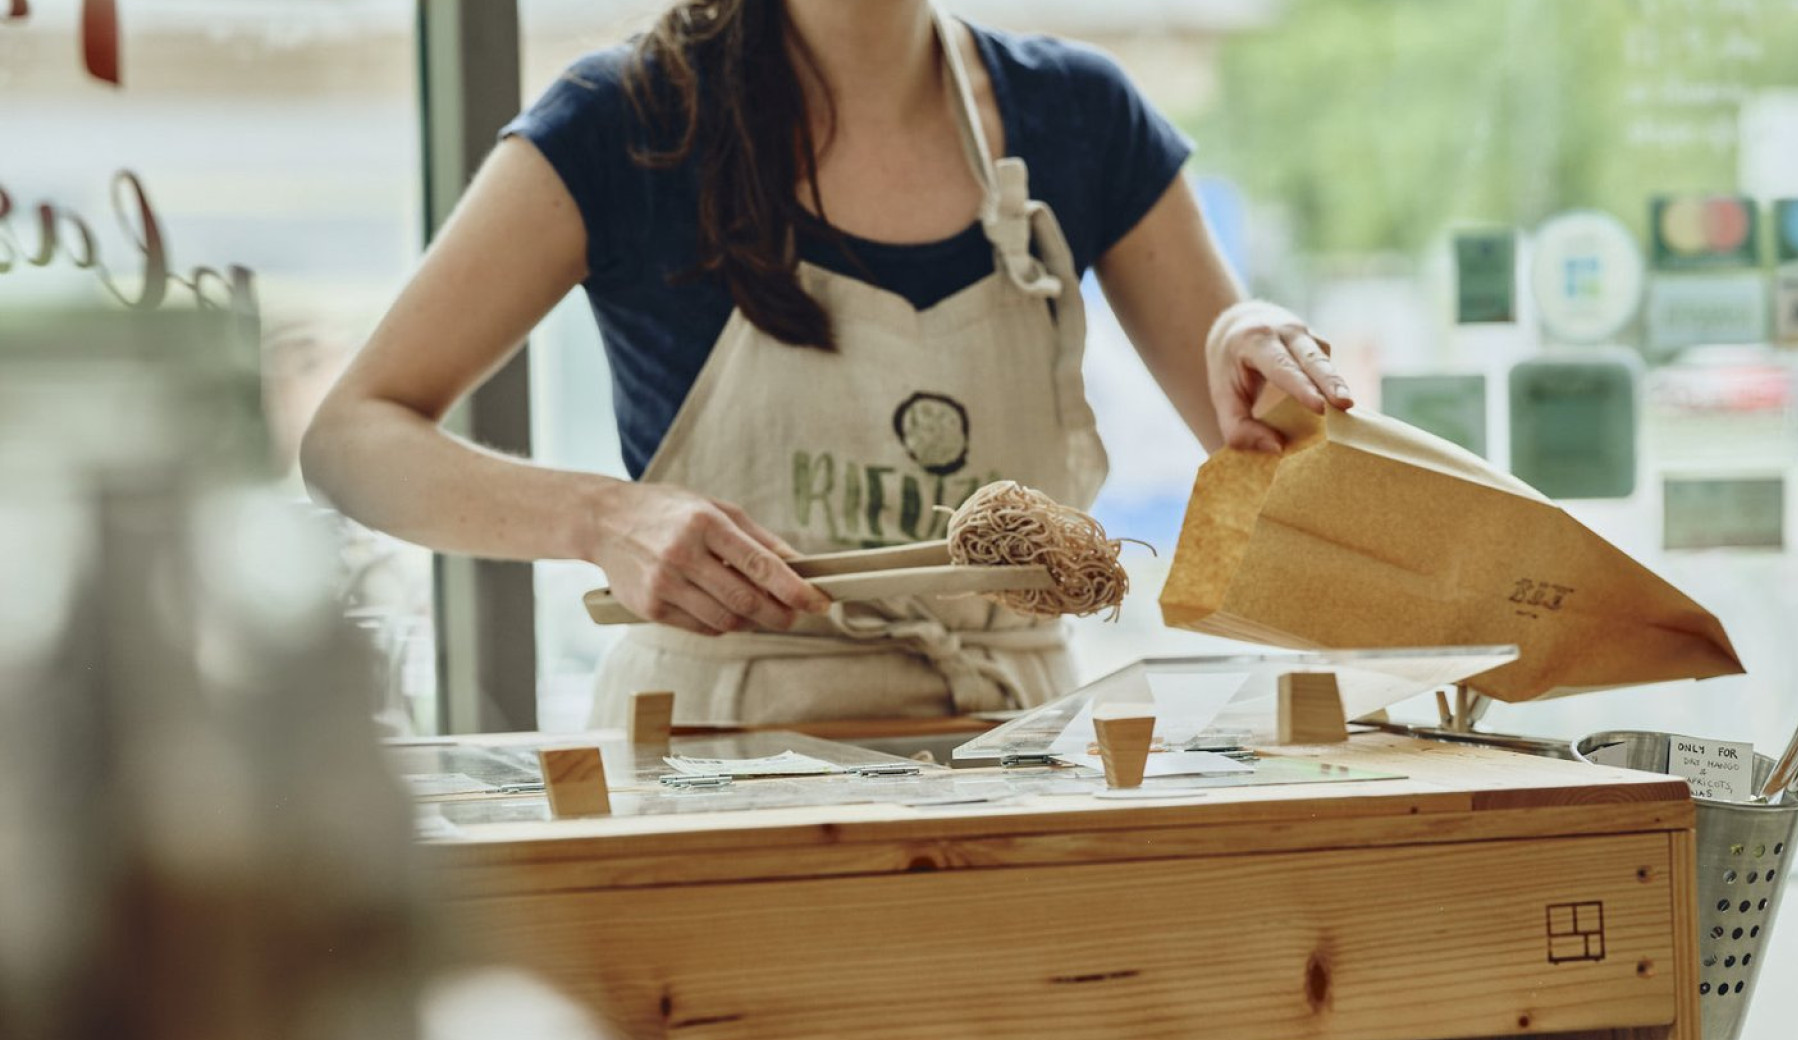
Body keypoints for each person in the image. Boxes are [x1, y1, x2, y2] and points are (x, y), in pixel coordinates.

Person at [301, 0, 1353, 728]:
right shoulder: (627, 123)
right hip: (720, 774)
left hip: (1022, 770)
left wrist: (1247, 341)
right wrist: (598, 518)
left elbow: (1271, 470)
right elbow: (351, 438)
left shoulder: (1082, 117)